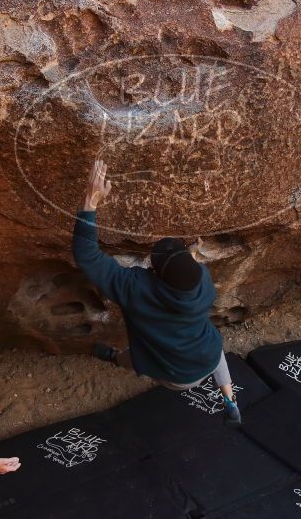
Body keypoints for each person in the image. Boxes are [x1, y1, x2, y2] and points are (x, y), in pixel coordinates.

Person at [72, 160, 242, 426]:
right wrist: (192, 253)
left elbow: (87, 255)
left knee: (132, 358)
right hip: (207, 355)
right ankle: (230, 402)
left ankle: (112, 357)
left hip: (175, 377)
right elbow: (189, 268)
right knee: (214, 347)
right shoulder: (202, 284)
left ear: (156, 272)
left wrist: (90, 200)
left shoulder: (136, 289)